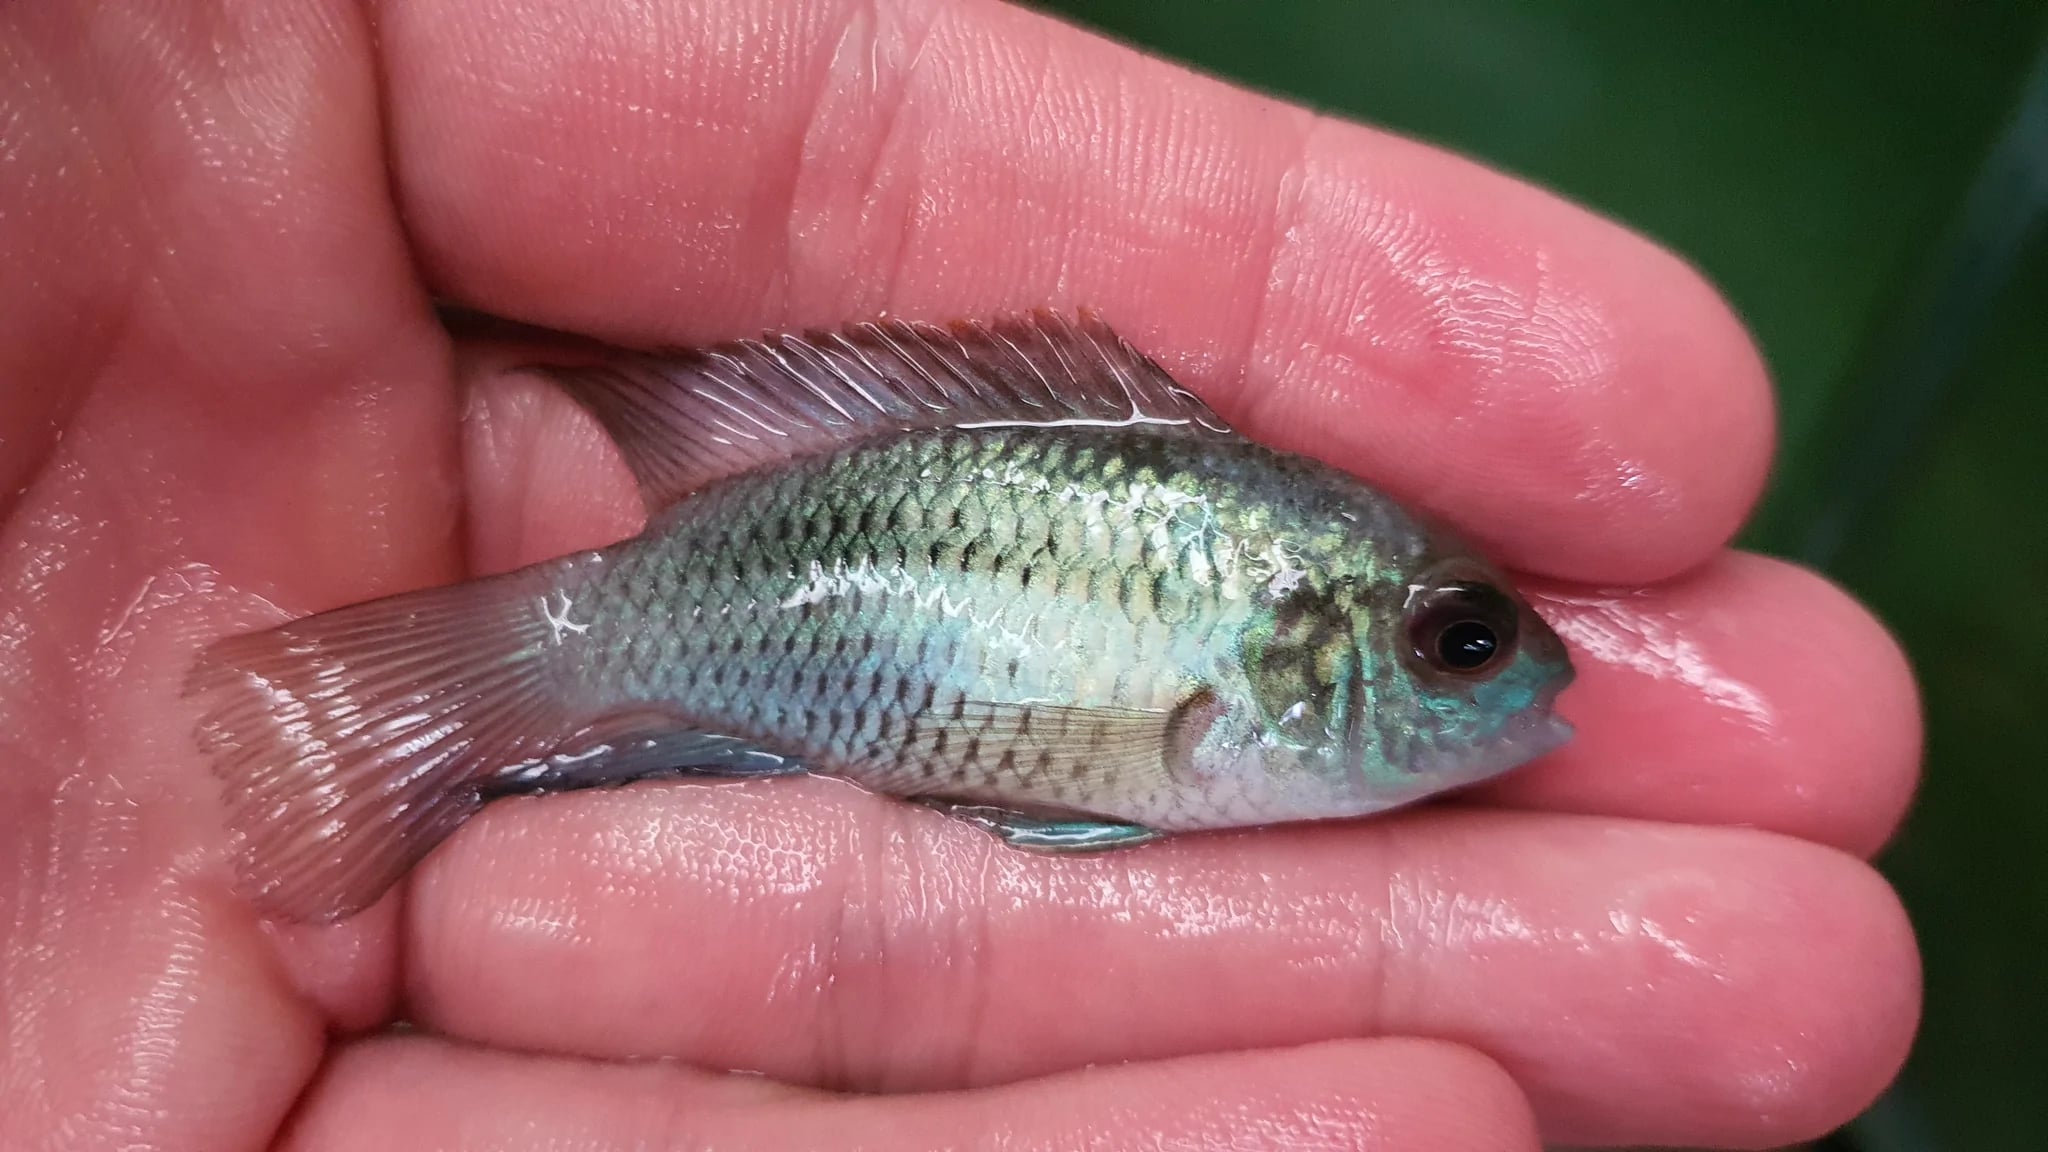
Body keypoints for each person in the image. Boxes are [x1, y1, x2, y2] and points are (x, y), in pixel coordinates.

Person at [0, 1, 1924, 1148]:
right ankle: (426, 714)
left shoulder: (1259, 639)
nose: (1514, 684)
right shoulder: (1228, 634)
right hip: (706, 587)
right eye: (1459, 640)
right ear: (1304, 639)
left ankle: (415, 725)